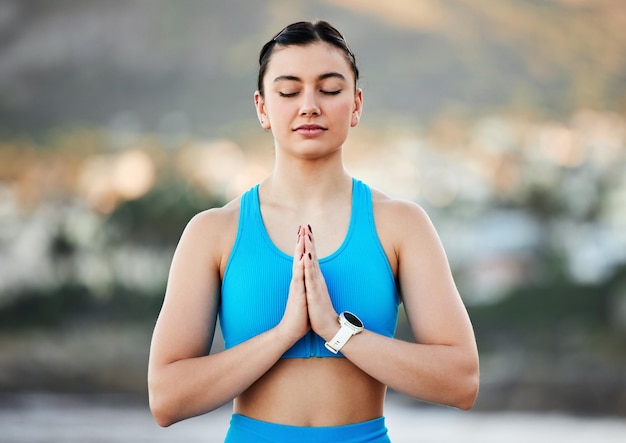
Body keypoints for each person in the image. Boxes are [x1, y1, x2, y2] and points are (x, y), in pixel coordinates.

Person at [148, 20, 479, 442]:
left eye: (329, 89)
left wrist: (337, 331)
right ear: (262, 107)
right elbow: (166, 399)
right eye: (288, 91)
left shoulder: (401, 225)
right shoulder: (213, 232)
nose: (309, 106)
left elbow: (461, 381)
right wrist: (285, 332)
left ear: (356, 104)